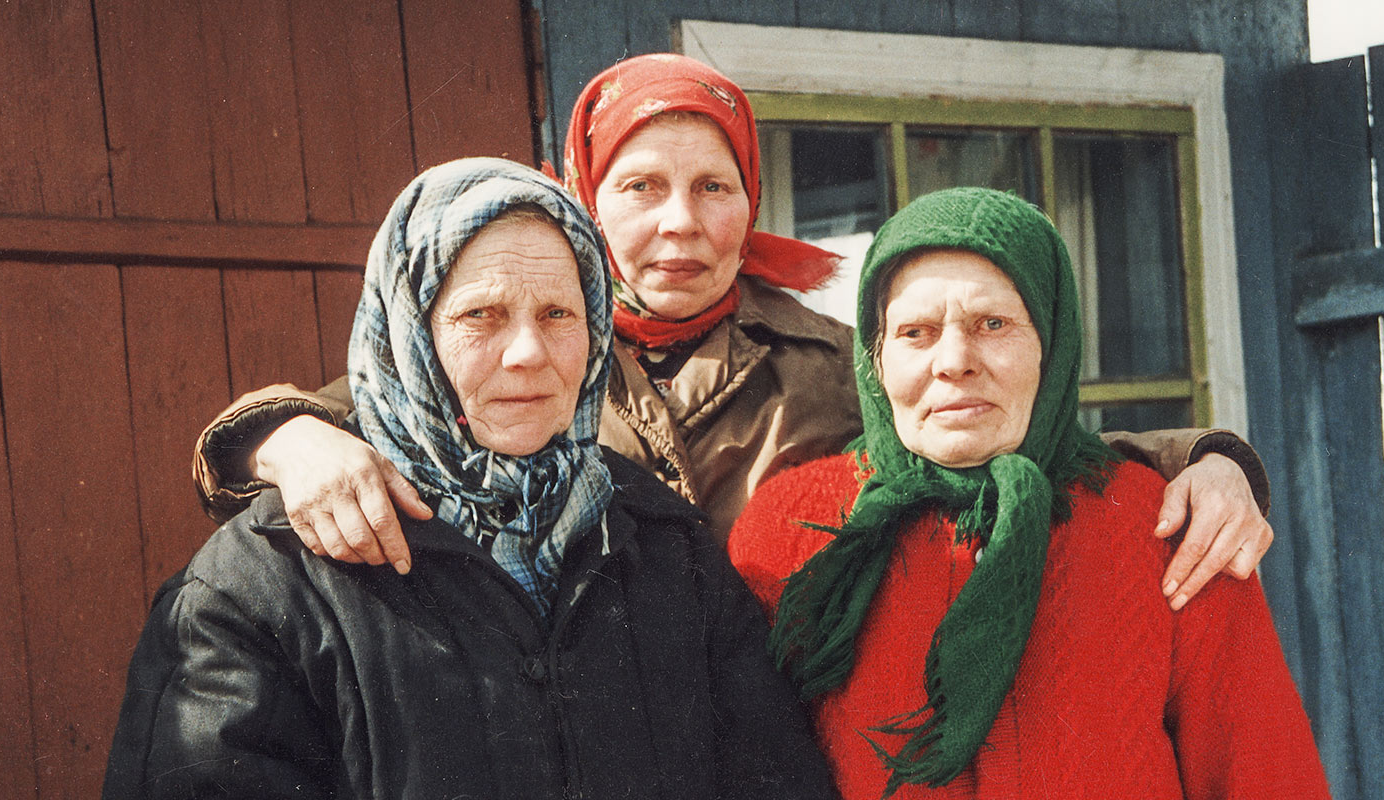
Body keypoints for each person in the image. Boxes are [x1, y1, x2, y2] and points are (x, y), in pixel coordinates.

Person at [191, 53, 1271, 611]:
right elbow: (352, 417)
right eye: (642, 185)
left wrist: (1211, 459)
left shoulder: (823, 362)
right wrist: (285, 440)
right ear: (583, 197)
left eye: (714, 185)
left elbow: (1003, 439)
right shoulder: (527, 345)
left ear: (749, 196)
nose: (681, 222)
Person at [103, 159, 838, 799]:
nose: (527, 352)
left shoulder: (663, 544)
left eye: (559, 313)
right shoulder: (259, 582)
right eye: (481, 314)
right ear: (411, 334)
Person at [729, 188, 1329, 799]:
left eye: (993, 324)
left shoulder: (1166, 523)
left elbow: (1265, 774)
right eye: (916, 332)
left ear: (1052, 342)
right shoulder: (790, 525)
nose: (954, 360)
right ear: (875, 359)